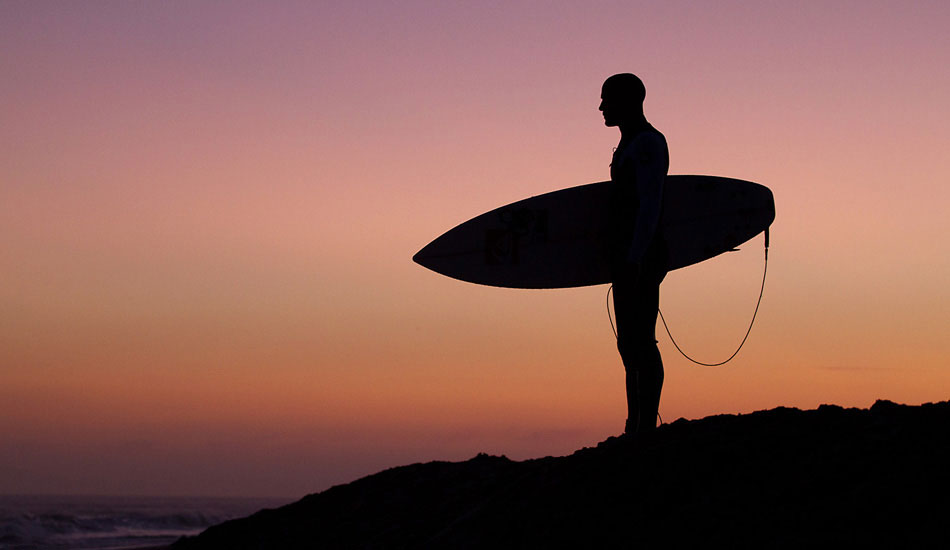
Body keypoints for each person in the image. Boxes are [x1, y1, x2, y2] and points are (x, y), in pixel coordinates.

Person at [599, 73, 669, 436]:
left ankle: (644, 427)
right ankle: (634, 425)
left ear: (628, 101)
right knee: (627, 342)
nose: (601, 107)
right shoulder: (628, 143)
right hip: (626, 256)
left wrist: (635, 259)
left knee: (641, 340)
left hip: (640, 257)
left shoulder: (647, 143)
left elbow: (650, 205)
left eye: (607, 100)